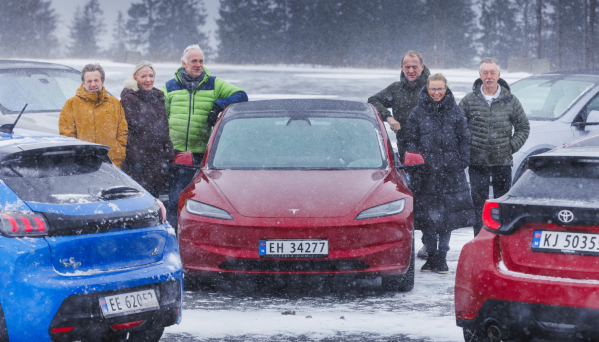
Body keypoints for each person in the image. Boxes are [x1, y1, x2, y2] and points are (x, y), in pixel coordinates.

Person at [163, 44, 248, 228]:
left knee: (194, 198)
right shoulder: (169, 87)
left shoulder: (214, 83)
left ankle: (190, 231)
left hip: (201, 152)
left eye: (201, 61)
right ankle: (172, 233)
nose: (198, 65)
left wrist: (219, 105)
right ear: (184, 63)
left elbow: (241, 95)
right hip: (174, 152)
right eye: (194, 61)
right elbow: (161, 116)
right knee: (174, 199)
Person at [405, 73, 474, 273]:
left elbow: (465, 139)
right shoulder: (417, 113)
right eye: (433, 89)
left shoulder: (456, 111)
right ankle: (431, 256)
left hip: (450, 175)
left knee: (447, 218)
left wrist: (461, 162)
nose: (436, 93)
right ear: (427, 89)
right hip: (425, 175)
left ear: (446, 89)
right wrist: (417, 163)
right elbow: (411, 140)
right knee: (427, 218)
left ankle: (442, 257)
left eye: (440, 89)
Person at [368, 50, 431, 259]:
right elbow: (373, 100)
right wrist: (389, 117)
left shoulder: (432, 87)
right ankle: (405, 243)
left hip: (432, 152)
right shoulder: (397, 89)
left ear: (422, 67)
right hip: (407, 154)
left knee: (432, 199)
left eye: (415, 67)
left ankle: (431, 244)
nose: (411, 71)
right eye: (407, 67)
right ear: (402, 69)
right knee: (410, 198)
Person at [459, 58, 530, 237]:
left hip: (502, 162)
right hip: (477, 162)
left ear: (499, 75)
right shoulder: (469, 100)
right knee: (478, 205)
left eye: (492, 73)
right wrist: (468, 148)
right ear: (480, 75)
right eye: (485, 73)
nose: (489, 76)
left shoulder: (511, 101)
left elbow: (523, 127)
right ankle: (479, 239)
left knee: (502, 205)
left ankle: (501, 239)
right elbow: (458, 127)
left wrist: (510, 146)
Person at [120, 61, 174, 198]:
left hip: (156, 161)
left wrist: (168, 156)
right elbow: (128, 132)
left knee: (155, 200)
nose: (148, 80)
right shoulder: (129, 99)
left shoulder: (158, 97)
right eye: (143, 76)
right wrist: (136, 160)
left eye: (151, 76)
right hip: (139, 161)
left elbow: (164, 130)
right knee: (138, 199)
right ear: (135, 78)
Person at [59, 63, 128, 168]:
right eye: (89, 81)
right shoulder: (72, 104)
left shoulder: (114, 103)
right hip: (82, 164)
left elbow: (122, 131)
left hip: (112, 162)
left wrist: (118, 151)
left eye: (96, 80)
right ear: (83, 83)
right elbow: (67, 135)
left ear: (102, 82)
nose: (93, 84)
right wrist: (77, 156)